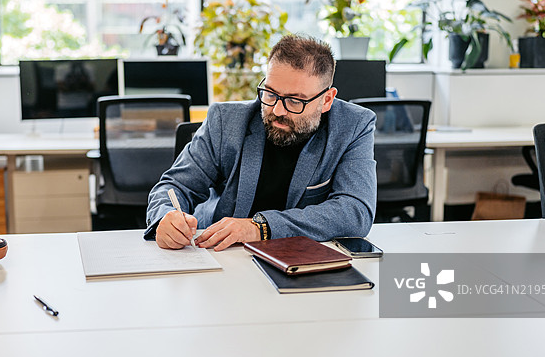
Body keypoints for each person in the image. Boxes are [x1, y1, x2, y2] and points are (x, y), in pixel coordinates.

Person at [144, 34, 377, 250]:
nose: (277, 109)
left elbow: (355, 211)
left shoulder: (354, 125)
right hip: (220, 252)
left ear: (326, 100)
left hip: (301, 257)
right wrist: (166, 217)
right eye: (271, 93)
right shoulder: (226, 121)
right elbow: (175, 186)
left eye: (295, 101)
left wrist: (261, 227)